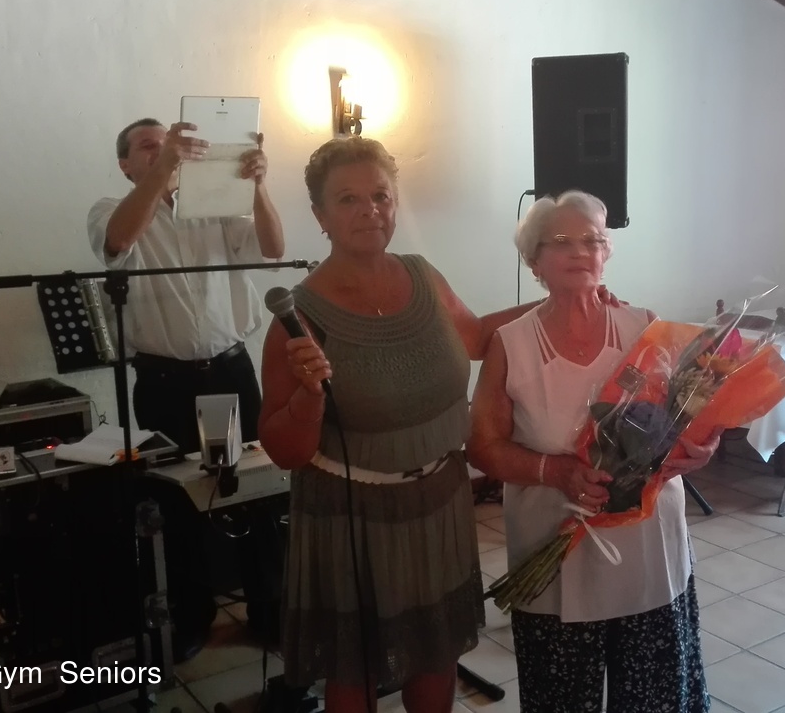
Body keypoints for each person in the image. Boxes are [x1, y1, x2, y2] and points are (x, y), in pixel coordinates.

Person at [257, 137, 622, 713]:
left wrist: (564, 298)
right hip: (354, 517)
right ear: (319, 215)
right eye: (348, 199)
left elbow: (475, 337)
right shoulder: (299, 314)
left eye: (381, 196)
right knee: (355, 668)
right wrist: (308, 398)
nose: (369, 210)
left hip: (439, 504)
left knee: (435, 651)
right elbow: (285, 451)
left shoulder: (421, 275)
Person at [465, 190, 717, 713]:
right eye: (561, 240)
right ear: (534, 260)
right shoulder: (510, 343)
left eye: (593, 240)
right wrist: (555, 471)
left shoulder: (644, 327)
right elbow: (482, 447)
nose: (580, 251)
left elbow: (688, 416)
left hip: (645, 545)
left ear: (607, 254)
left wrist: (703, 444)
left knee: (652, 695)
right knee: (560, 697)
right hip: (554, 546)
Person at [86, 117, 286, 662]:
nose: (162, 152)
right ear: (125, 164)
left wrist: (258, 185)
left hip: (227, 374)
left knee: (252, 490)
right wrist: (167, 169)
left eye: (167, 144)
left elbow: (274, 248)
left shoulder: (213, 207)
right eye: (148, 147)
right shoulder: (110, 208)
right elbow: (117, 241)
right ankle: (192, 617)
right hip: (166, 383)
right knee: (177, 504)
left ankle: (269, 609)